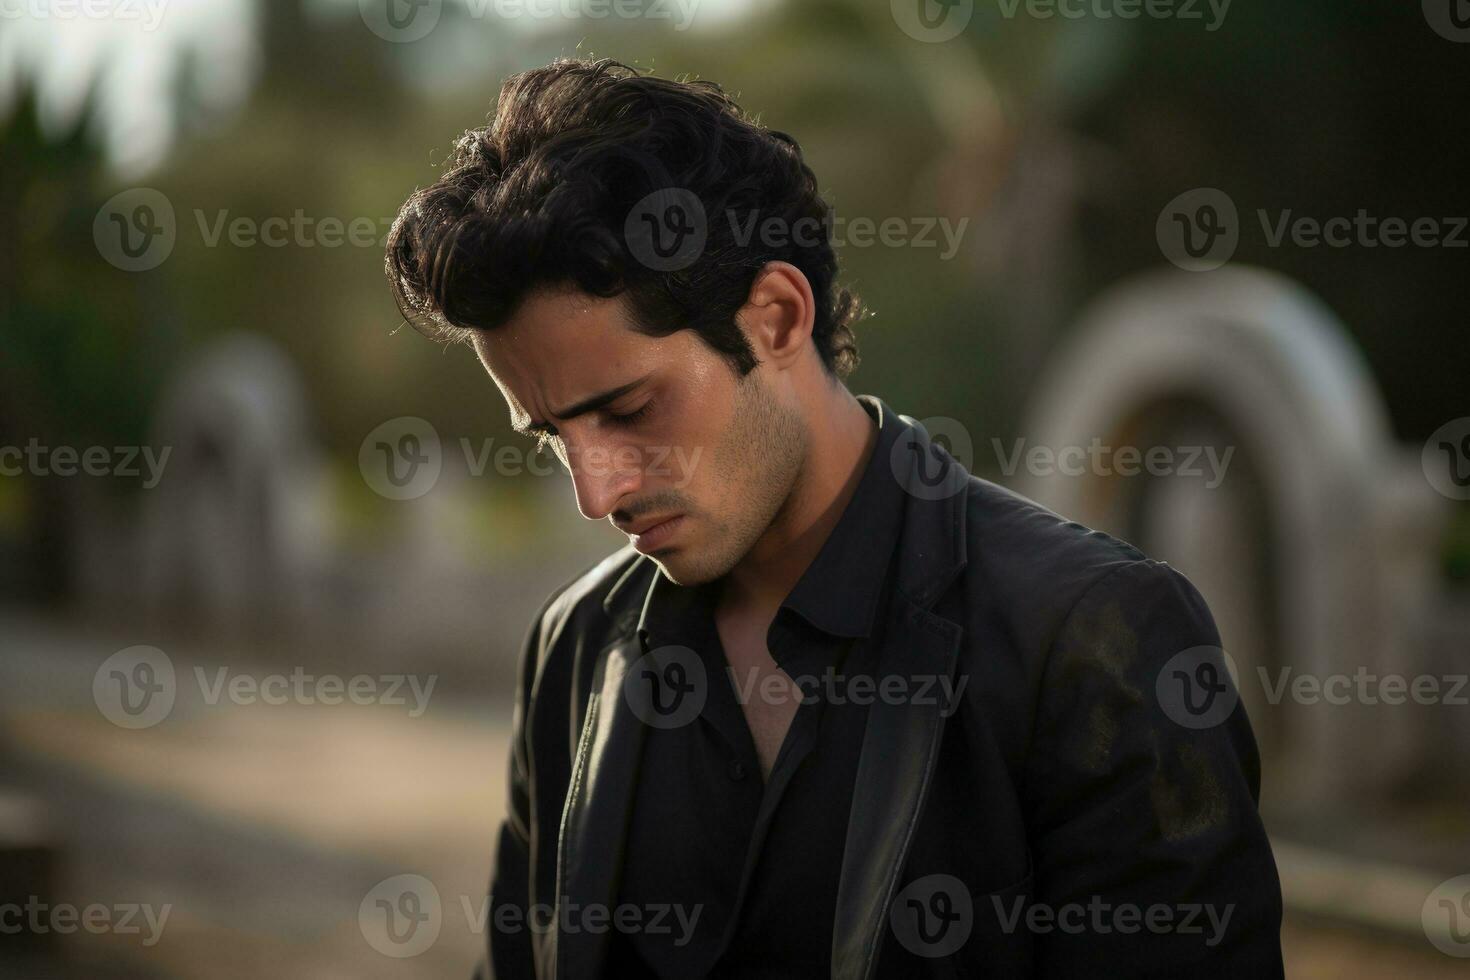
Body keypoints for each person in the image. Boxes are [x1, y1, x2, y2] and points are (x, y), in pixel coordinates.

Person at [383, 56, 1284, 979]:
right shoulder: (575, 646)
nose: (596, 492)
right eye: (551, 435)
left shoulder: (1097, 640)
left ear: (776, 316)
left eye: (630, 410)